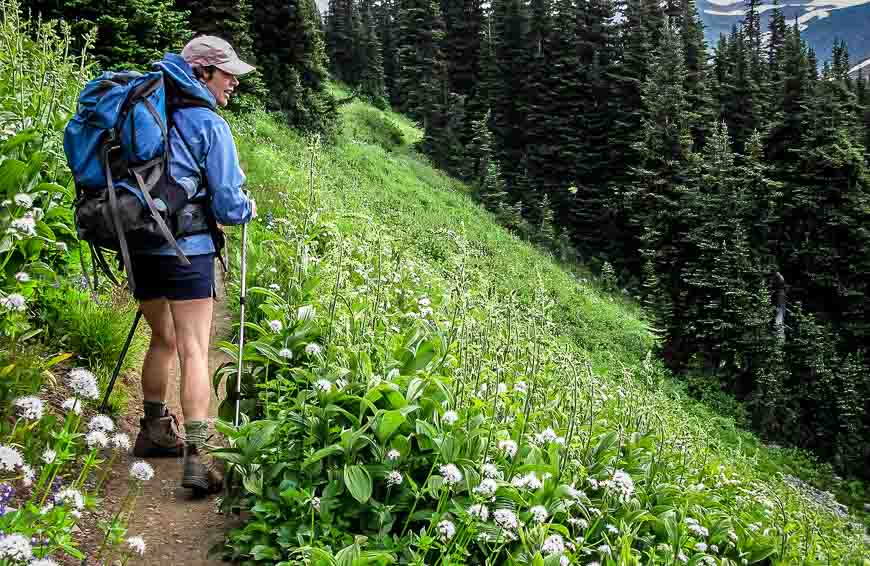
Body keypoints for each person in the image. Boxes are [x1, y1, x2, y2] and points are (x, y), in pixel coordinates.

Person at [129, 36, 256, 495]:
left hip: (139, 245)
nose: (233, 84)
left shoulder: (145, 113)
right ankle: (198, 461)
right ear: (202, 73)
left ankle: (152, 428)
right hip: (189, 250)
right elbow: (227, 203)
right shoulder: (209, 125)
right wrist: (247, 208)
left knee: (160, 339)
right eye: (227, 75)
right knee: (194, 349)